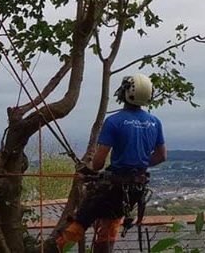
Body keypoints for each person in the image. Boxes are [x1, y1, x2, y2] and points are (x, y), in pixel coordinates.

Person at [56, 73, 167, 252]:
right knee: (109, 228)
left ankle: (57, 248)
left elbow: (99, 162)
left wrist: (89, 172)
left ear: (124, 93)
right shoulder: (154, 122)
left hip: (113, 188)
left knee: (77, 225)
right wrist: (139, 165)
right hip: (135, 190)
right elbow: (161, 156)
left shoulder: (114, 121)